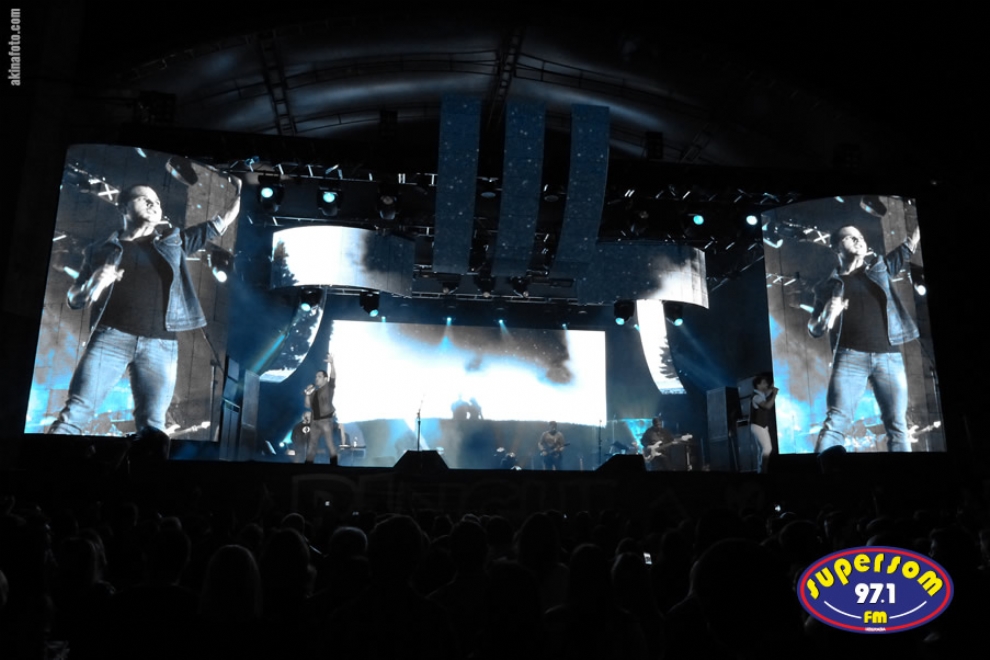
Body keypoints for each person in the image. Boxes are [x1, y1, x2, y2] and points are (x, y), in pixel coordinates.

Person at [49, 180, 241, 435]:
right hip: (110, 340)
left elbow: (219, 223)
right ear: (123, 208)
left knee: (152, 426)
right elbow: (74, 300)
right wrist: (91, 284)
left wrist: (241, 192)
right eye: (144, 199)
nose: (154, 204)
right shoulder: (98, 250)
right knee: (75, 414)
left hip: (161, 345)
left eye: (157, 202)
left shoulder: (174, 241)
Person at [809, 224, 920, 453]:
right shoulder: (826, 287)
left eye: (860, 236)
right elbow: (814, 329)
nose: (858, 240)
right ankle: (821, 471)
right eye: (850, 237)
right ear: (836, 247)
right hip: (849, 359)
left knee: (898, 426)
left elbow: (909, 244)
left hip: (889, 357)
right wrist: (826, 314)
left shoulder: (881, 269)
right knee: (835, 424)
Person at [302, 354, 343, 465]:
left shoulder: (328, 388)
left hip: (325, 421)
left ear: (325, 379)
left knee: (329, 444)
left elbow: (333, 377)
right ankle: (308, 465)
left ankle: (334, 465)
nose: (316, 378)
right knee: (312, 445)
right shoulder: (314, 392)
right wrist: (307, 394)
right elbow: (307, 405)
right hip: (314, 421)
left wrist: (332, 364)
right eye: (316, 377)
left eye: (319, 376)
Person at [750, 374, 777, 472]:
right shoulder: (756, 397)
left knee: (761, 450)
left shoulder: (761, 394)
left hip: (760, 425)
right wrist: (774, 395)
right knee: (767, 448)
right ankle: (763, 469)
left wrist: (772, 388)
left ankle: (760, 470)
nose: (766, 384)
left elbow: (768, 391)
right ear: (758, 385)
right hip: (758, 426)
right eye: (764, 383)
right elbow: (767, 406)